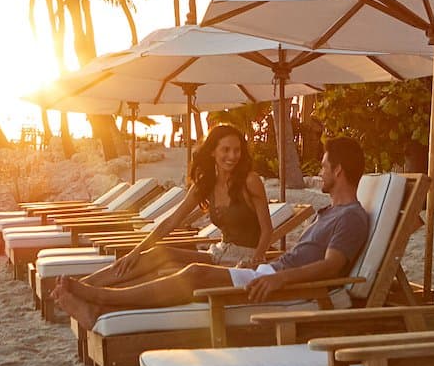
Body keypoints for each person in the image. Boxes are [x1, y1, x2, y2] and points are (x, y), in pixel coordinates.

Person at [53, 136, 373, 330]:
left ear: (339, 171)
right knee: (179, 267)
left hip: (283, 287)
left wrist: (278, 277)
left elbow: (331, 268)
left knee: (194, 275)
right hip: (266, 273)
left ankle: (101, 300)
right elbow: (302, 258)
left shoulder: (352, 217)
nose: (319, 171)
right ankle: (96, 298)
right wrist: (264, 267)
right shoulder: (329, 213)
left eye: (324, 165)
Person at [66, 123, 272, 292]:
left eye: (237, 150)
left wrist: (255, 261)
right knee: (160, 253)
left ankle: (92, 291)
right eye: (226, 150)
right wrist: (136, 251)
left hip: (246, 258)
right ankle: (85, 285)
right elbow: (172, 221)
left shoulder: (249, 181)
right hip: (218, 253)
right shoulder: (206, 185)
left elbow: (267, 230)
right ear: (212, 152)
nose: (232, 156)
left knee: (171, 273)